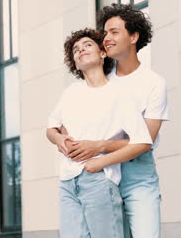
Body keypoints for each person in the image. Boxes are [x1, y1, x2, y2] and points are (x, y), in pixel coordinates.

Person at [65, 4, 169, 238]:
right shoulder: (99, 75)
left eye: (114, 32)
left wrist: (100, 145)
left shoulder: (154, 83)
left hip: (137, 175)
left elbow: (146, 140)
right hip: (99, 175)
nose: (106, 38)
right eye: (105, 32)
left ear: (133, 36)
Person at [46, 28, 153, 238]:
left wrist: (99, 159)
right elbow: (51, 128)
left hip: (99, 180)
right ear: (75, 63)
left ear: (103, 53)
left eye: (87, 45)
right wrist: (58, 138)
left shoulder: (120, 93)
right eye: (76, 50)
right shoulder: (71, 93)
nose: (81, 50)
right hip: (68, 181)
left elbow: (142, 142)